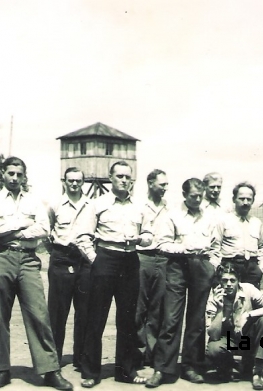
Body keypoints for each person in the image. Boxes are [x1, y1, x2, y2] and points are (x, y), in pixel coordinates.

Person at [0, 157, 72, 390]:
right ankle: (1, 370)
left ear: (24, 176)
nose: (14, 178)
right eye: (10, 173)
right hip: (2, 258)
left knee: (39, 315)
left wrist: (16, 232)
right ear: (3, 174)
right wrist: (22, 225)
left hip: (29, 261)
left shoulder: (34, 201)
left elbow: (44, 228)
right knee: (0, 315)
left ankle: (51, 371)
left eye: (19, 174)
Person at [76, 160, 152, 388]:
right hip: (105, 259)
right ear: (111, 178)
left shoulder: (139, 207)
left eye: (128, 177)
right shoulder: (97, 204)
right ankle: (90, 372)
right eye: (119, 176)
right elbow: (83, 237)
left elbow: (149, 234)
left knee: (128, 319)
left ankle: (126, 371)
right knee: (95, 318)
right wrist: (96, 260)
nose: (124, 180)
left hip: (130, 261)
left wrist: (140, 239)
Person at [146, 178, 221, 388]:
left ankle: (191, 366)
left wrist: (212, 265)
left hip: (202, 266)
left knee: (197, 320)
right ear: (184, 194)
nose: (197, 199)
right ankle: (162, 368)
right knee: (171, 318)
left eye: (200, 196)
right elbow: (161, 243)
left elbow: (217, 246)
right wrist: (185, 249)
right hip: (177, 266)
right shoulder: (172, 214)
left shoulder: (210, 216)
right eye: (193, 196)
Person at [205, 264, 263, 390]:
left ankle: (258, 372)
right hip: (228, 339)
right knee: (213, 349)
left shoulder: (248, 289)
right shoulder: (214, 297)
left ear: (238, 280)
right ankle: (228, 366)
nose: (228, 284)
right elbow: (213, 335)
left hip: (247, 337)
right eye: (224, 280)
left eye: (232, 280)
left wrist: (249, 315)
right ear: (220, 281)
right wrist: (220, 310)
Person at [45, 167, 91, 369]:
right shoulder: (55, 205)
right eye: (70, 180)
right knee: (57, 311)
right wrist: (57, 253)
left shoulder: (92, 205)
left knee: (85, 311)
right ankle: (54, 358)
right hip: (61, 257)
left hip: (85, 260)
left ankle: (81, 359)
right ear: (64, 181)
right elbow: (47, 233)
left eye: (78, 181)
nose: (74, 184)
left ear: (83, 182)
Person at [136, 169, 169, 367]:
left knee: (158, 308)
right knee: (139, 307)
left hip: (163, 258)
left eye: (166, 185)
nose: (165, 188)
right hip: (141, 258)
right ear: (150, 183)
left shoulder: (169, 207)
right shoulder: (138, 205)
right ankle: (138, 353)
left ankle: (153, 353)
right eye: (162, 184)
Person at [215, 182, 263, 288]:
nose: (245, 202)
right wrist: (217, 269)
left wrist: (261, 268)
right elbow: (215, 247)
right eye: (241, 198)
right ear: (234, 199)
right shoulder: (223, 220)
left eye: (249, 199)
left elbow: (262, 246)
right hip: (229, 265)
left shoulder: (257, 222)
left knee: (250, 300)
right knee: (228, 300)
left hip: (252, 267)